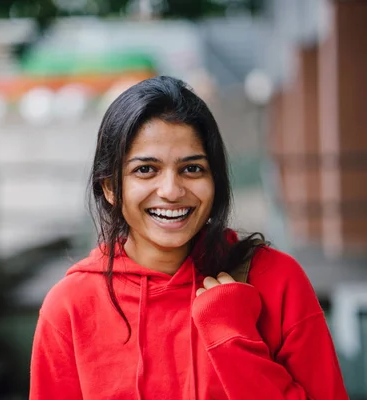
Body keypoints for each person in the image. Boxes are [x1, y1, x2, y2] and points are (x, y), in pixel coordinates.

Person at [29, 76, 348, 399]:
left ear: (216, 181)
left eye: (192, 169)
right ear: (110, 187)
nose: (171, 191)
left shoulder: (277, 281)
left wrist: (233, 340)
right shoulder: (69, 307)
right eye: (146, 170)